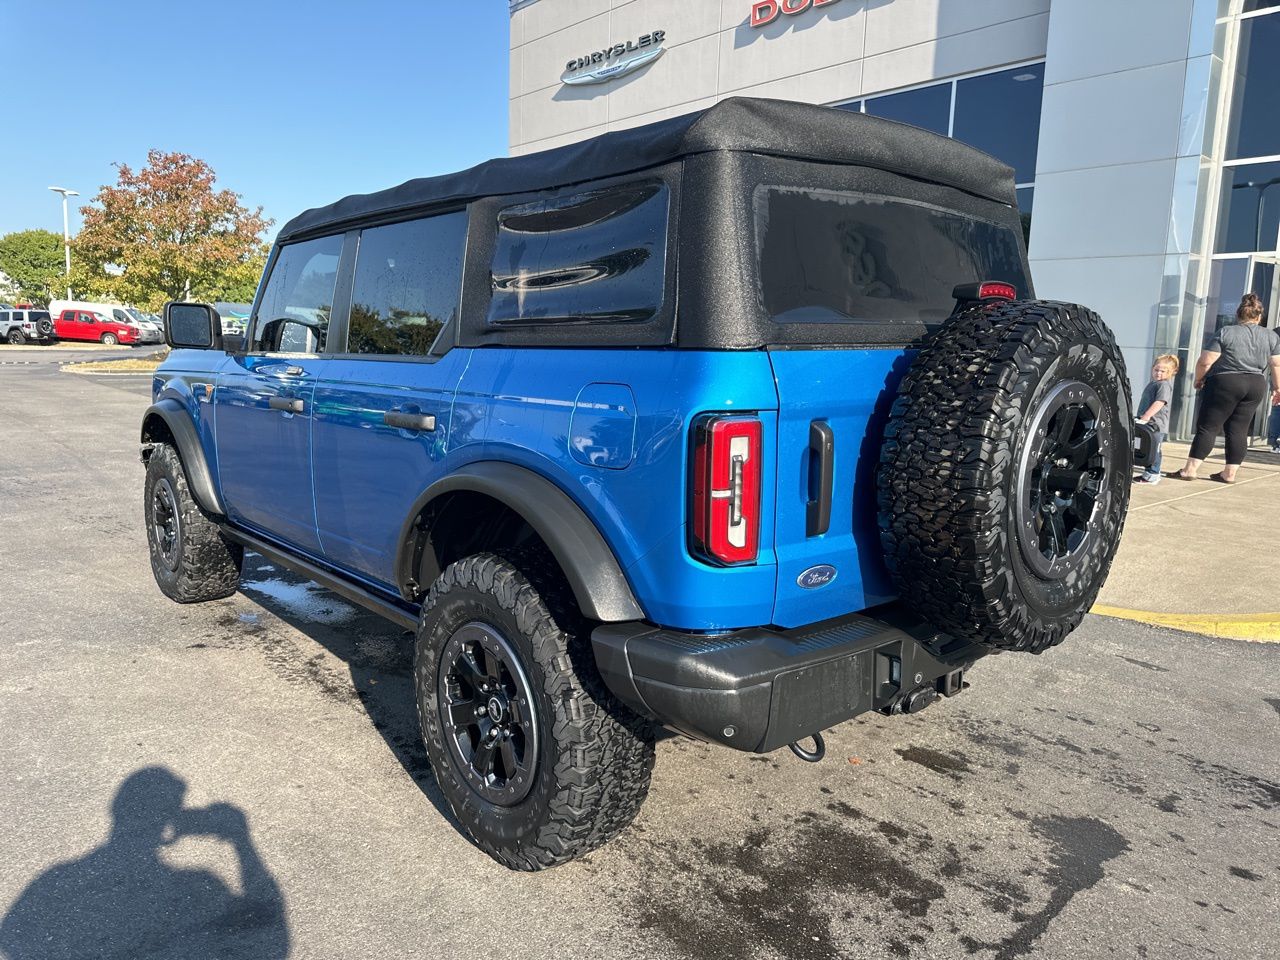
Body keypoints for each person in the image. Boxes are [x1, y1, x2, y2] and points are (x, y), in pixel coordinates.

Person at [1170, 293, 1280, 482]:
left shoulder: (1226, 332)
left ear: (1238, 315)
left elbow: (1205, 361)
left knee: (1208, 426)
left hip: (1226, 382)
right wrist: (1277, 389)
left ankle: (1189, 470)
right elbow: (1276, 365)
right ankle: (1229, 474)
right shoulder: (1271, 336)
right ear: (1259, 317)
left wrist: (1199, 379)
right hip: (1255, 384)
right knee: (1239, 429)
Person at [1134, 354, 1178, 483]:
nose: (1158, 373)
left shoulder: (1163, 385)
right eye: (1156, 370)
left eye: (1163, 371)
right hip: (1147, 423)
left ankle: (1153, 474)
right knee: (1146, 448)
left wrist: (1147, 416)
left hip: (1156, 424)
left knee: (1155, 449)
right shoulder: (1154, 383)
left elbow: (1160, 402)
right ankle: (1147, 472)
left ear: (1171, 372)